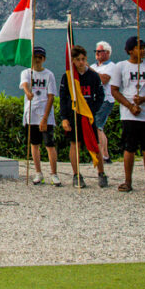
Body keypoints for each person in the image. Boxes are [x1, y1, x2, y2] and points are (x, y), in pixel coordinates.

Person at [109, 36, 145, 194]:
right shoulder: (120, 67)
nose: (143, 50)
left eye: (144, 48)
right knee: (129, 148)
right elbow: (114, 90)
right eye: (140, 48)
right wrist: (130, 106)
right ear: (130, 50)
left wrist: (144, 99)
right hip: (129, 115)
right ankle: (127, 181)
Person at [59, 45, 108, 188]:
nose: (81, 62)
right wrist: (64, 118)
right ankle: (76, 175)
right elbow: (63, 98)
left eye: (83, 59)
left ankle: (101, 173)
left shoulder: (93, 76)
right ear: (72, 61)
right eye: (77, 60)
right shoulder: (68, 76)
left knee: (95, 143)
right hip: (74, 115)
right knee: (75, 144)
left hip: (88, 115)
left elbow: (100, 95)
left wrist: (92, 110)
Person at [20, 45, 60, 186]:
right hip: (31, 114)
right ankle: (38, 172)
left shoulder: (49, 75)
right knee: (34, 144)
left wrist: (45, 118)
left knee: (49, 145)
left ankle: (54, 174)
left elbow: (51, 96)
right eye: (34, 57)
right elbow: (24, 83)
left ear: (43, 59)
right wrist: (27, 91)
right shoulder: (27, 72)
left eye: (39, 57)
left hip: (45, 115)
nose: (37, 60)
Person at [93, 41, 118, 163]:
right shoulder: (94, 67)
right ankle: (105, 154)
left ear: (107, 53)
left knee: (98, 125)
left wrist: (90, 72)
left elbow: (104, 79)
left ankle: (102, 154)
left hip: (106, 99)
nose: (97, 54)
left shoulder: (111, 66)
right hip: (95, 100)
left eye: (99, 51)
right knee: (98, 126)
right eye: (96, 51)